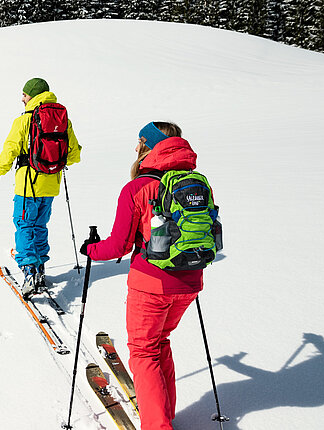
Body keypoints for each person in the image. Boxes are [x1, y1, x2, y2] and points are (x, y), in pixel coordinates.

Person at [80, 121, 199, 430]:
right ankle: (164, 413)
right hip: (189, 280)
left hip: (151, 283)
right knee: (160, 342)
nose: (135, 147)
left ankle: (157, 425)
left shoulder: (138, 187)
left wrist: (91, 250)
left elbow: (118, 244)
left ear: (150, 146)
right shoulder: (195, 182)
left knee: (144, 352)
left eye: (140, 141)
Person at [0, 78, 81, 295]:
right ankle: (40, 266)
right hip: (50, 184)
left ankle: (29, 270)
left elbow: (9, 152)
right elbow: (74, 155)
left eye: (24, 94)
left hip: (27, 184)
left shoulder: (24, 121)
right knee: (39, 225)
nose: (22, 98)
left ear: (32, 95)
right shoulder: (63, 120)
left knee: (24, 224)